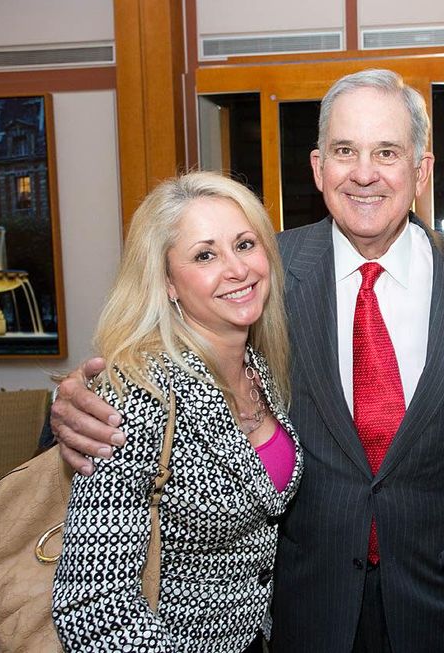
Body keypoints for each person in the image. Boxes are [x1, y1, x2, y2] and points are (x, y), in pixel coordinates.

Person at [51, 69, 444, 652]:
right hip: (302, 604)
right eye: (345, 151)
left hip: (436, 603)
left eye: (387, 152)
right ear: (318, 167)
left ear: (421, 170)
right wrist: (68, 404)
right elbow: (148, 354)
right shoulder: (261, 274)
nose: (363, 173)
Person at [51, 172, 303, 652]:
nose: (237, 269)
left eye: (245, 244)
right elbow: (91, 607)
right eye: (205, 255)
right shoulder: (138, 393)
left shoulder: (259, 369)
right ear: (167, 282)